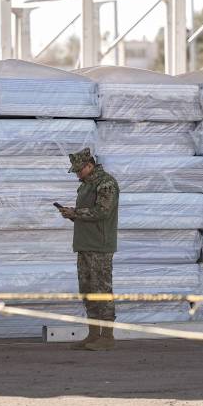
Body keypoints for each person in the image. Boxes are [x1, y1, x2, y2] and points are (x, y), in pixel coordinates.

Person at [57, 147, 120, 351]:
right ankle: (93, 334)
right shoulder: (86, 185)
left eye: (79, 170)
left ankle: (107, 336)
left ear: (89, 165)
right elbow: (87, 213)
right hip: (85, 244)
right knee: (88, 290)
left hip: (99, 246)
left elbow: (102, 211)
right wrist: (72, 214)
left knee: (102, 289)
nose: (77, 174)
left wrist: (76, 213)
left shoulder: (105, 183)